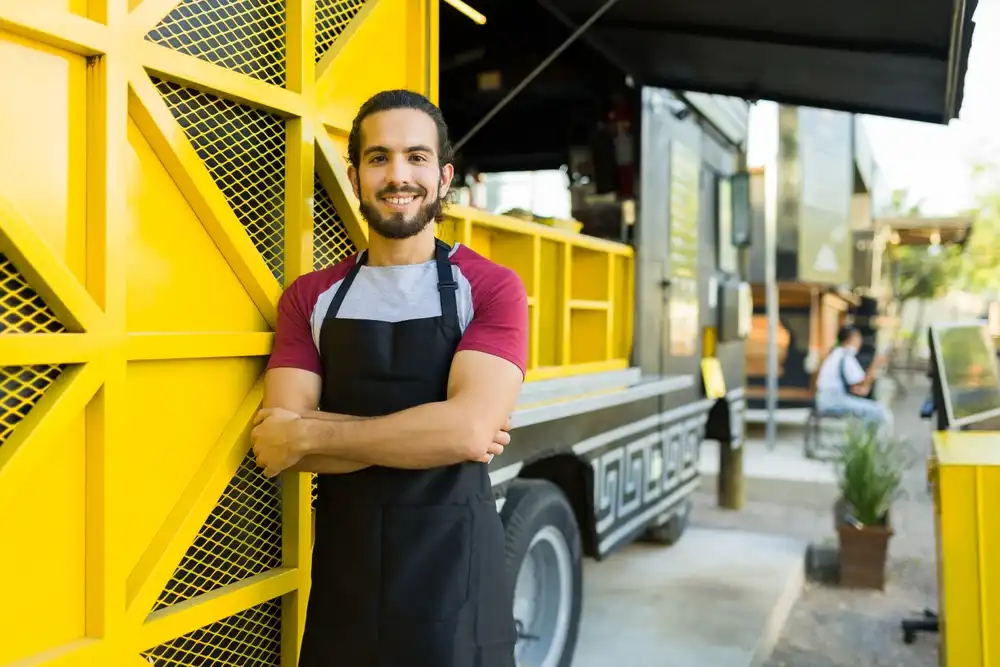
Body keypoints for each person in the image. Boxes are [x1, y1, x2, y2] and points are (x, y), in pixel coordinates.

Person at [249, 89, 527, 667]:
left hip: (458, 581)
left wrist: (312, 431)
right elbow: (279, 446)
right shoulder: (310, 297)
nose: (398, 175)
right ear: (354, 177)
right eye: (379, 158)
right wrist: (435, 430)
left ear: (445, 175)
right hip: (347, 578)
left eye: (416, 157)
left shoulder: (492, 287)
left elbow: (469, 432)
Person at [815, 324, 893, 433]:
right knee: (879, 411)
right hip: (835, 400)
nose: (860, 341)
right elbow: (861, 383)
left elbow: (856, 388)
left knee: (869, 409)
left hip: (825, 399)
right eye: (858, 338)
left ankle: (863, 442)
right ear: (851, 338)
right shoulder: (846, 357)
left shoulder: (835, 354)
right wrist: (875, 364)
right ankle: (867, 445)